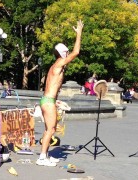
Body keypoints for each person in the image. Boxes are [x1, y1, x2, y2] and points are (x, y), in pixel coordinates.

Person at [36, 20, 83, 167]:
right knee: (51, 129)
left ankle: (45, 155)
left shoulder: (55, 66)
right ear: (63, 53)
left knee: (49, 129)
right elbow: (76, 52)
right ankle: (42, 158)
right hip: (48, 101)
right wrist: (79, 33)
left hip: (48, 100)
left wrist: (55, 100)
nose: (69, 53)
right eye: (66, 52)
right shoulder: (59, 64)